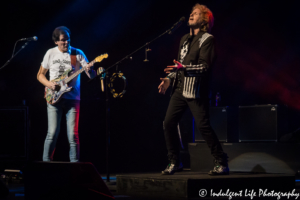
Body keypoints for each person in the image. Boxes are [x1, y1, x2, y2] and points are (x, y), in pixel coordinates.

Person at [158, 4, 229, 175]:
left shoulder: (207, 39)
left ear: (204, 20)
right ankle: (175, 162)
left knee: (203, 126)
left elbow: (204, 67)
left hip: (196, 90)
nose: (191, 15)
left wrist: (182, 68)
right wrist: (168, 79)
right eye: (191, 13)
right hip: (179, 89)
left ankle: (221, 161)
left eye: (196, 14)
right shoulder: (184, 39)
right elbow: (179, 66)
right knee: (168, 123)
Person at [37, 26, 96, 162]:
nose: (66, 43)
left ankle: (75, 167)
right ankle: (46, 165)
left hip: (72, 99)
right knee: (52, 133)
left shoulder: (77, 53)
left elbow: (91, 76)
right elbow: (40, 75)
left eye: (68, 40)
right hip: (53, 97)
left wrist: (90, 68)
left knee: (73, 135)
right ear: (56, 41)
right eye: (63, 40)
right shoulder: (50, 53)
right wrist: (49, 84)